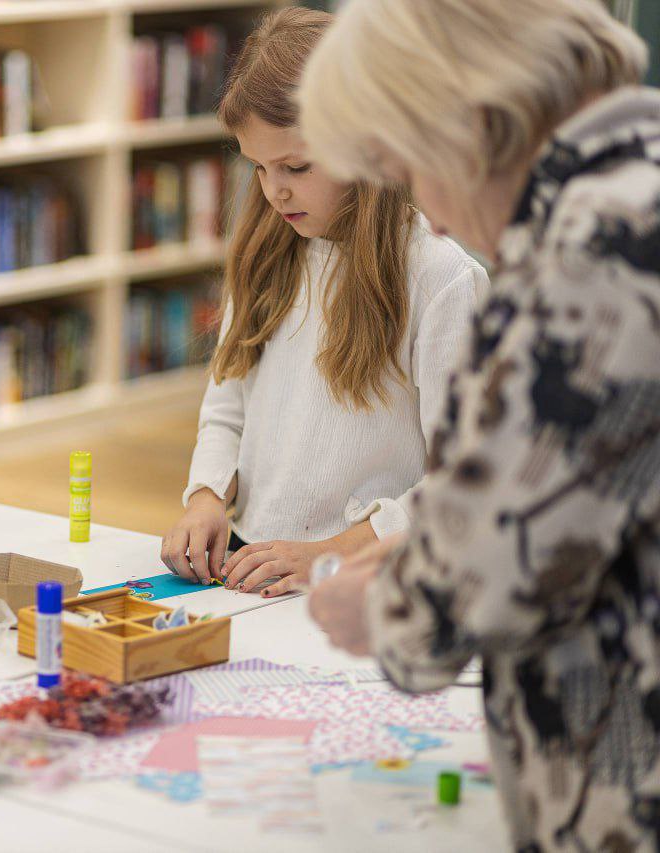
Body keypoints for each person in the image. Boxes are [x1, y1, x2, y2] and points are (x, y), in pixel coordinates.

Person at [298, 0, 658, 846]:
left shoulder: (600, 246)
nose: (430, 214)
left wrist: (383, 606)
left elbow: (486, 580)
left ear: (467, 119)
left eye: (412, 167)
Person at [160, 7, 486, 598]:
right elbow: (227, 406)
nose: (274, 191)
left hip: (370, 578)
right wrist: (205, 497)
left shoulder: (442, 278)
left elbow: (465, 478)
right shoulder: (266, 252)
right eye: (258, 168)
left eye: (296, 166)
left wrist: (330, 553)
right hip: (255, 568)